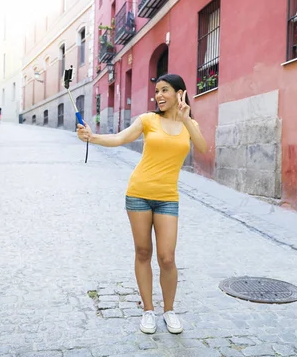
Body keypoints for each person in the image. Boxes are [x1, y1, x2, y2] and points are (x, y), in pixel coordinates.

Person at [76, 73, 208, 334]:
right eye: (157, 91)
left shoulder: (189, 124)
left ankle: (169, 310)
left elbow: (203, 147)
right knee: (143, 252)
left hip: (168, 198)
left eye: (165, 90)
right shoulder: (148, 120)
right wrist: (93, 137)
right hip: (138, 193)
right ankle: (148, 310)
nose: (158, 95)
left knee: (167, 258)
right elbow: (119, 138)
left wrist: (185, 119)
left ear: (180, 93)